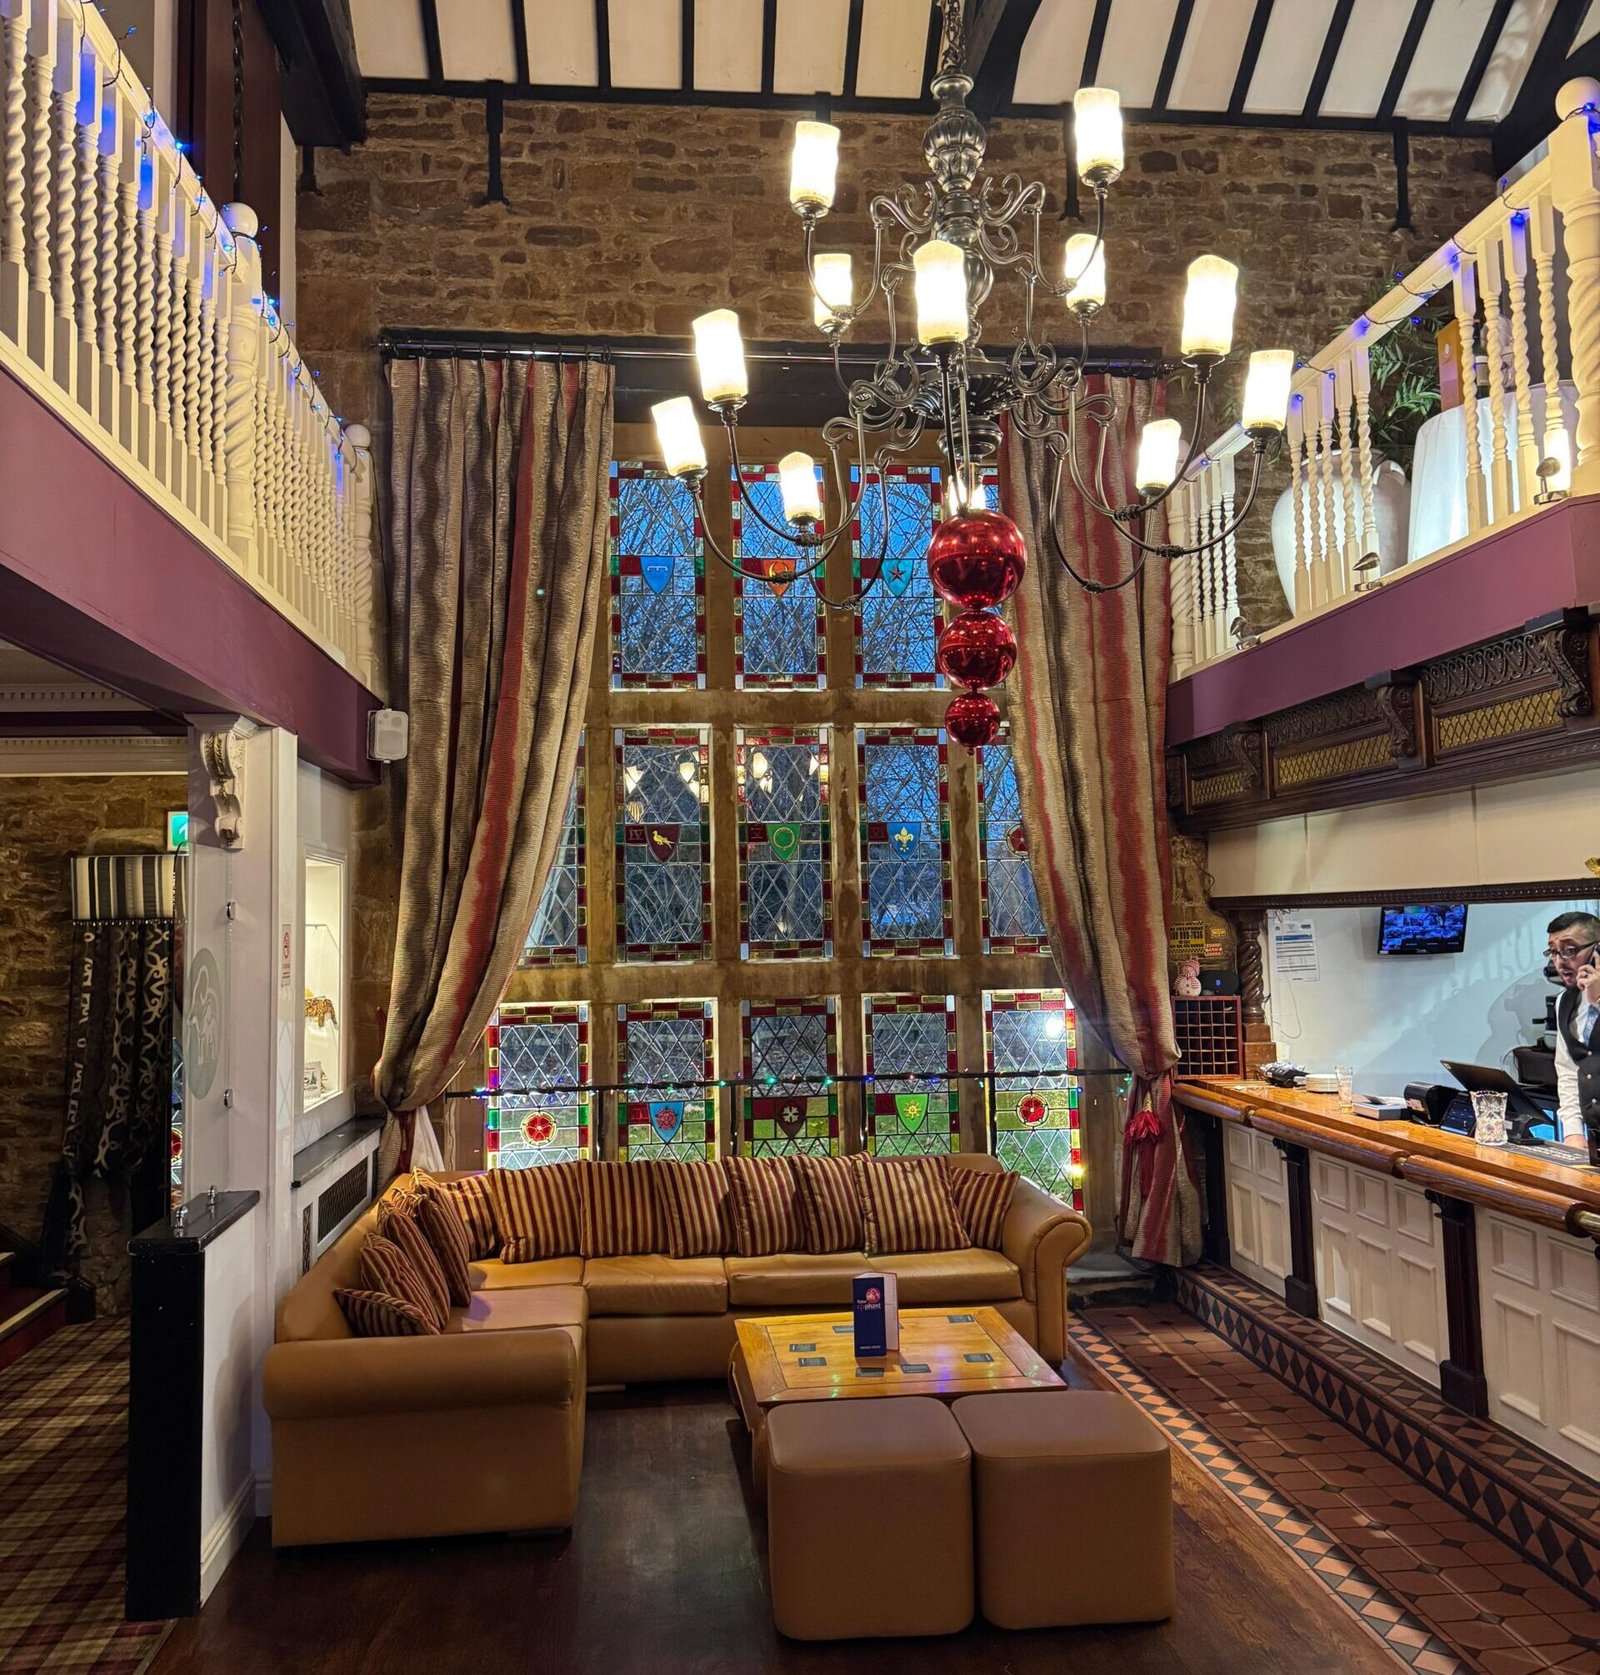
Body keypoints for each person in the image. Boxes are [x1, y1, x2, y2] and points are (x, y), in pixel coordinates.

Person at [1548, 910, 1600, 1146]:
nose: (1559, 962)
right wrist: (1573, 1132)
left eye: (1569, 950)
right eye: (1553, 952)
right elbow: (1568, 1070)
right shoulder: (1565, 1001)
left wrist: (1597, 1000)